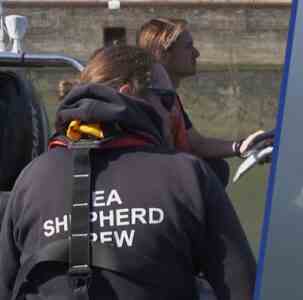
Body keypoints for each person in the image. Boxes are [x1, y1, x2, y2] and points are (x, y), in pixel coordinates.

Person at [0, 45, 256, 300]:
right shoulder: (187, 175)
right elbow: (243, 288)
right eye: (167, 100)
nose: (173, 114)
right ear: (128, 92)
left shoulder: (31, 179)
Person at [137, 18, 273, 164]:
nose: (197, 53)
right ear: (163, 54)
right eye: (188, 47)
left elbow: (196, 144)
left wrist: (240, 147)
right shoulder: (148, 103)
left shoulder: (170, 99)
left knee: (217, 166)